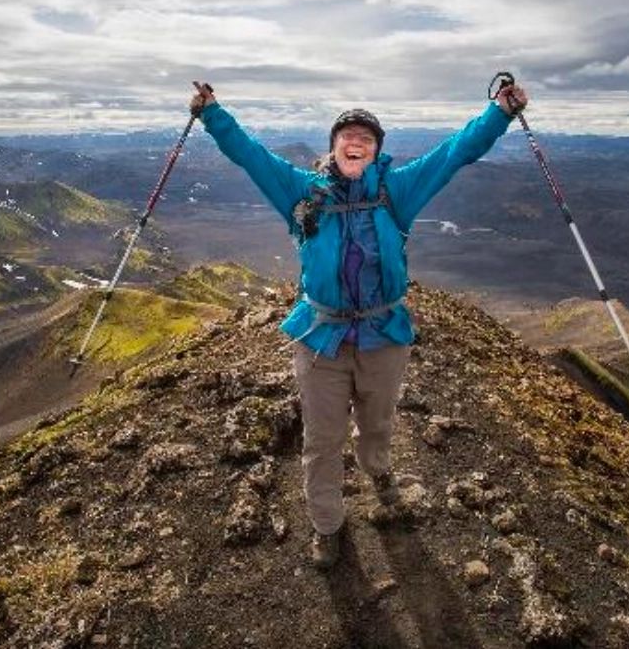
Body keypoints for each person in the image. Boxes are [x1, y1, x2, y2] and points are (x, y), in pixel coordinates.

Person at [188, 79, 529, 569]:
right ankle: (327, 524)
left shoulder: (397, 190)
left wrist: (499, 112)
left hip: (383, 335)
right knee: (321, 440)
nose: (355, 142)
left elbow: (454, 154)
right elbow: (250, 156)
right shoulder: (302, 191)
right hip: (320, 338)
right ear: (333, 147)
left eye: (366, 138)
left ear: (376, 151)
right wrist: (212, 113)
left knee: (377, 423)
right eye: (347, 136)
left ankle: (379, 471)